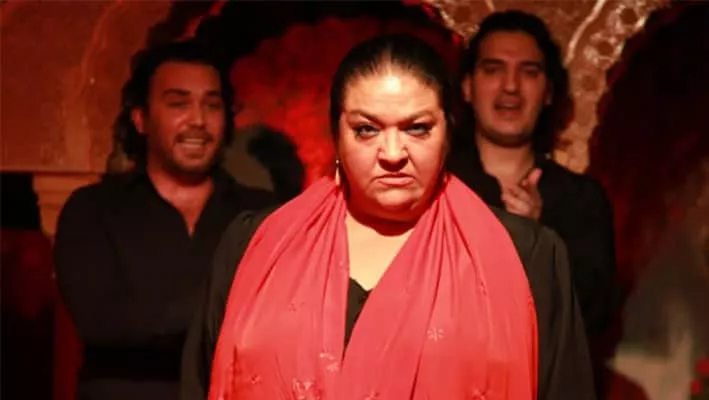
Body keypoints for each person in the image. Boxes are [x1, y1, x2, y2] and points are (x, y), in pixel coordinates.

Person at [181, 34, 595, 400]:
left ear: (447, 134)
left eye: (417, 128)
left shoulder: (525, 255)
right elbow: (201, 381)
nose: (393, 154)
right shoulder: (257, 243)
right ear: (336, 136)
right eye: (366, 129)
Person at [54, 40, 276, 400]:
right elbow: (102, 323)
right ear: (140, 118)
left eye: (212, 105)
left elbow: (283, 323)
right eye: (178, 103)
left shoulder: (265, 215)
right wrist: (231, 310)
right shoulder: (92, 210)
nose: (198, 121)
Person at [449, 10, 618, 339]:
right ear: (467, 87)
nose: (511, 86)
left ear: (549, 92)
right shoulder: (433, 187)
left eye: (529, 72)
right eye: (493, 70)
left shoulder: (581, 201)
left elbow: (593, 317)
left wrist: (538, 245)